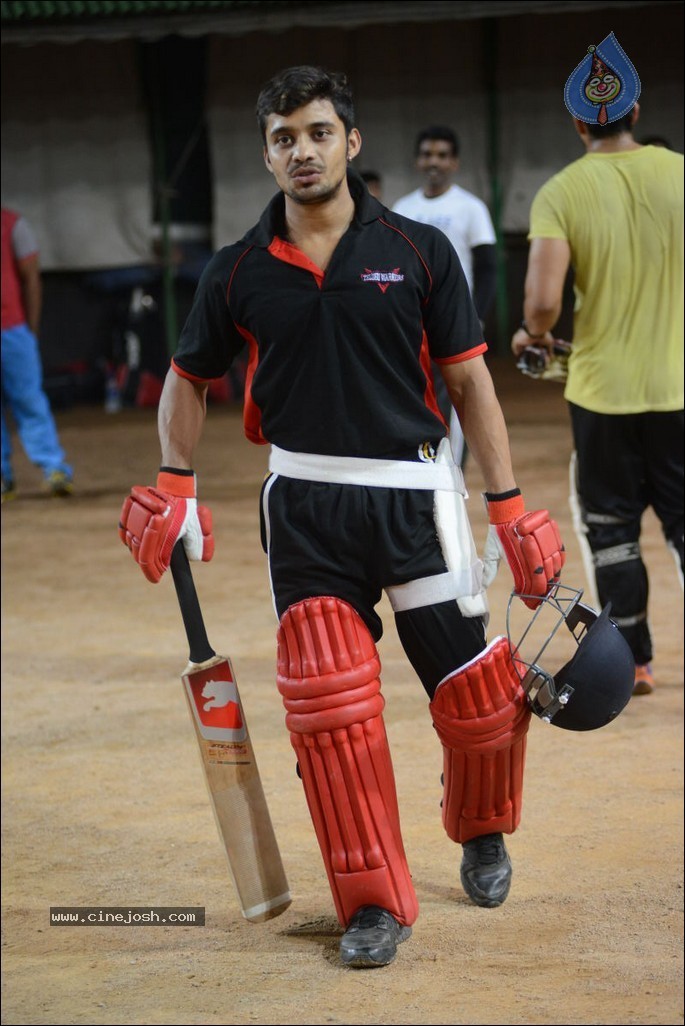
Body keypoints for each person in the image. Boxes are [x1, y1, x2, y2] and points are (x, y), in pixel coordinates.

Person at [119, 66, 565, 969]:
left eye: (318, 132)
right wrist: (174, 483)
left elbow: (469, 379)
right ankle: (370, 903)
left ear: (350, 143)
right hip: (306, 503)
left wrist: (507, 502)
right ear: (267, 152)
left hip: (415, 493)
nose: (302, 151)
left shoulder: (418, 248)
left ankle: (480, 829)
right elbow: (187, 380)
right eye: (284, 138)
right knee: (328, 705)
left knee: (476, 702)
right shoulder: (238, 269)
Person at [511, 36, 683, 699]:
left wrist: (535, 335)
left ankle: (633, 661)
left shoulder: (561, 191)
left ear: (578, 122)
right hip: (678, 391)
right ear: (634, 109)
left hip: (601, 396)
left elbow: (543, 304)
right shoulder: (679, 173)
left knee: (611, 532)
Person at [393, 126, 497, 464]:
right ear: (417, 160)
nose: (433, 162)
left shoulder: (471, 208)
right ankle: (419, 469)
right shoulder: (401, 208)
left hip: (454, 321)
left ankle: (452, 475)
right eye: (426, 155)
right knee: (412, 397)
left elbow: (487, 268)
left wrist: (475, 318)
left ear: (454, 162)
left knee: (459, 398)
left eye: (441, 155)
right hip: (410, 326)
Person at [1, 207, 74, 501]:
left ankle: (54, 469)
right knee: (30, 400)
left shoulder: (14, 225)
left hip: (13, 330)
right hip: (17, 332)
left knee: (29, 399)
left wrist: (30, 329)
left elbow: (32, 278)